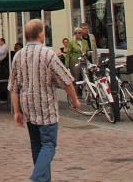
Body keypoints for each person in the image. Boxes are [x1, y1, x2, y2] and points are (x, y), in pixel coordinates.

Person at [10, 19, 81, 182]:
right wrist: (75, 99)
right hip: (46, 108)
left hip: (28, 107)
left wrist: (17, 111)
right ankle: (36, 177)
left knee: (36, 146)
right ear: (41, 35)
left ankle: (43, 179)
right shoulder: (48, 54)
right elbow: (66, 80)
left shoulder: (18, 56)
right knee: (49, 145)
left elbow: (13, 87)